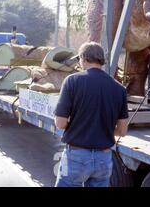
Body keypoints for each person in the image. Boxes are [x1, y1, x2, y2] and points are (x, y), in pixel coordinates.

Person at [54, 42, 129, 187]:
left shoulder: (72, 81)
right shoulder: (119, 89)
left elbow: (60, 123)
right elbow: (122, 131)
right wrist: (102, 130)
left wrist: (79, 127)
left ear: (83, 58)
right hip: (104, 158)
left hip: (76, 156)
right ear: (101, 60)